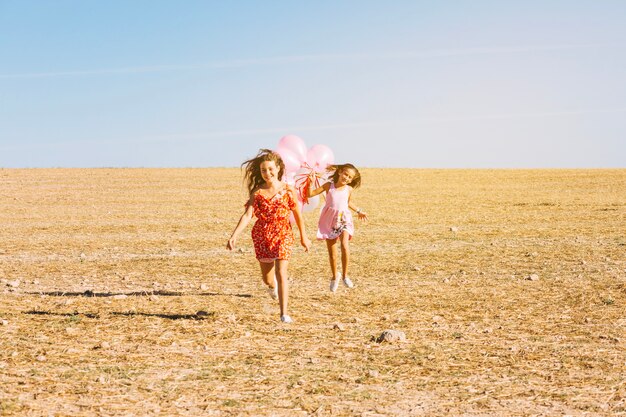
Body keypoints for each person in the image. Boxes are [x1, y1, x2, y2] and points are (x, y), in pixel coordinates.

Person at [227, 149, 311, 323]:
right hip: (262, 235)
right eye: (264, 170)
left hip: (283, 233)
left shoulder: (288, 190)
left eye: (271, 169)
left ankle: (284, 313)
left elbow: (297, 214)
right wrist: (234, 235)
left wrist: (304, 237)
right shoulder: (257, 193)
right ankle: (272, 288)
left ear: (279, 168)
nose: (267, 173)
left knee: (282, 272)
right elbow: (248, 215)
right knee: (268, 279)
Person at [307, 163, 368, 292]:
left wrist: (359, 211)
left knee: (345, 245)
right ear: (340, 172)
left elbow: (347, 202)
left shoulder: (348, 189)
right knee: (332, 254)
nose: (346, 178)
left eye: (350, 177)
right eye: (345, 174)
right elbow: (310, 194)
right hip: (329, 221)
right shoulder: (329, 186)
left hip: (344, 219)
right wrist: (310, 182)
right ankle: (335, 276)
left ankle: (345, 276)